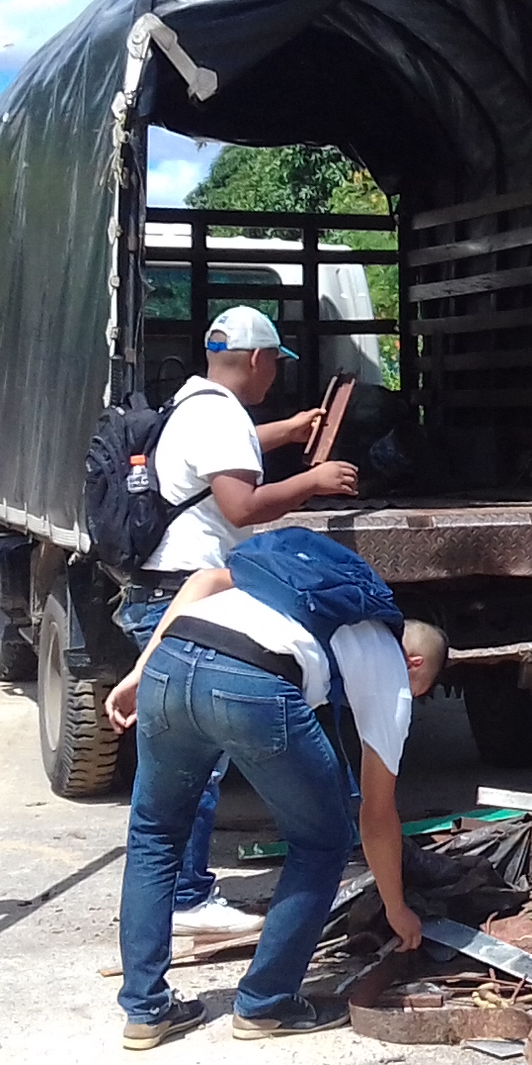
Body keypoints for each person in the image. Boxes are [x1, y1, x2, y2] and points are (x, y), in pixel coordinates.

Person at [104, 530, 446, 1048]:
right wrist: (397, 908)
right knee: (323, 840)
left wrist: (140, 668)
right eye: (420, 691)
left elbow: (204, 580)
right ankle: (267, 1003)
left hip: (172, 661)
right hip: (252, 681)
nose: (412, 699)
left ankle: (146, 1010)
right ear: (416, 664)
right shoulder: (389, 665)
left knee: (155, 834)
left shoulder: (287, 589)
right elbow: (376, 815)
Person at [120, 305, 359, 938]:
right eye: (276, 362)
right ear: (256, 359)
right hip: (188, 594)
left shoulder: (194, 402)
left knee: (173, 772)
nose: (276, 373)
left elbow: (231, 454)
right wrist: (315, 479)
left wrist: (290, 430)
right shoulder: (222, 415)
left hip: (160, 589)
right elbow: (242, 505)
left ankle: (171, 901)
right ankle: (188, 897)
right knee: (194, 769)